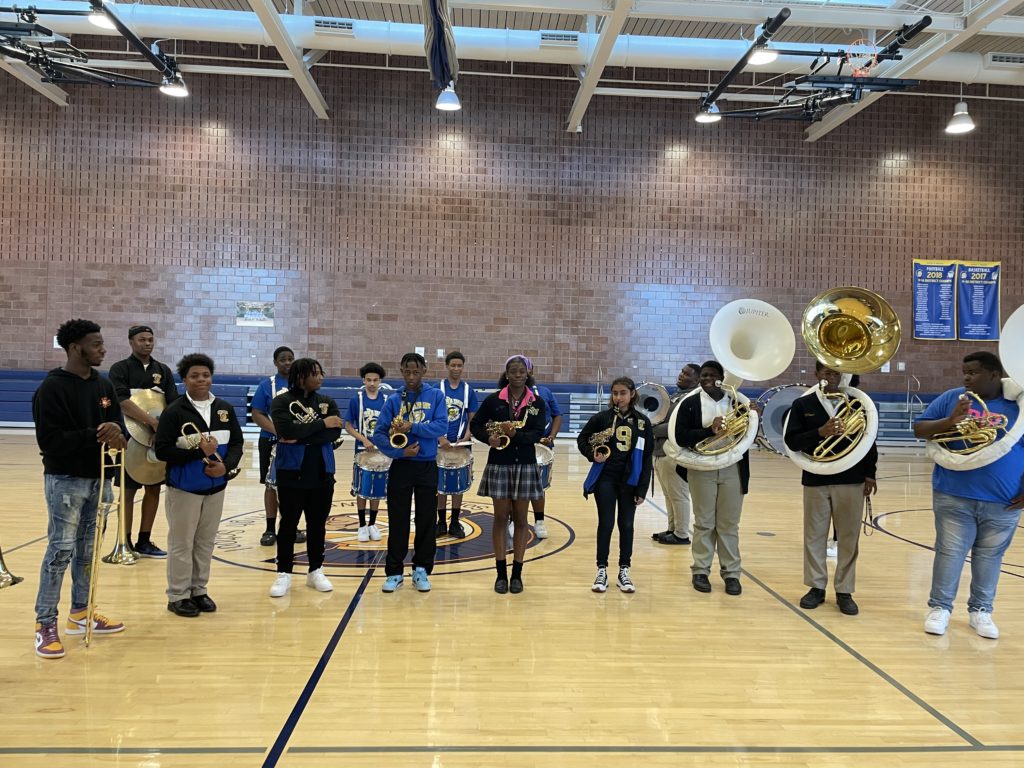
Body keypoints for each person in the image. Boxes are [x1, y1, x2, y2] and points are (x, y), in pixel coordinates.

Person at [32, 319, 127, 658]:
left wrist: (118, 433)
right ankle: (45, 624)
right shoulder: (52, 388)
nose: (103, 349)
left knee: (89, 553)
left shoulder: (103, 384)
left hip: (100, 479)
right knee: (60, 551)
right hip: (66, 480)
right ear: (75, 348)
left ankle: (81, 612)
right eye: (96, 343)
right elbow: (50, 442)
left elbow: (120, 428)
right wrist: (97, 435)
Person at [913, 351, 1024, 639]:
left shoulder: (1020, 406)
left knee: (990, 557)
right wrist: (951, 420)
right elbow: (919, 429)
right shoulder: (954, 398)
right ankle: (940, 608)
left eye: (973, 372)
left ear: (994, 375)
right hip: (954, 494)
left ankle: (981, 611)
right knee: (949, 553)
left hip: (1004, 500)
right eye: (964, 372)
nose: (966, 377)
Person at [784, 362, 877, 616]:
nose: (831, 376)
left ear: (843, 375)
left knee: (848, 537)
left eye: (836, 372)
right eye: (826, 372)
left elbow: (869, 439)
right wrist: (819, 432)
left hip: (852, 478)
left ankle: (845, 590)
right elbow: (792, 441)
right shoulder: (803, 405)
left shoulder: (858, 403)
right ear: (817, 375)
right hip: (815, 478)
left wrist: (871, 473)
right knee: (814, 536)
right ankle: (816, 587)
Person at [155, 354, 244, 617]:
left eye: (205, 375)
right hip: (184, 489)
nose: (201, 380)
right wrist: (198, 453)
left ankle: (199, 590)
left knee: (205, 542)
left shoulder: (224, 408)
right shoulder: (174, 411)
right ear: (184, 380)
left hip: (216, 487)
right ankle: (178, 595)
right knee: (182, 543)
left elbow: (237, 443)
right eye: (194, 376)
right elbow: (162, 451)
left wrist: (225, 467)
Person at [470, 355, 547, 594]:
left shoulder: (537, 403)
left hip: (525, 464)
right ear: (506, 374)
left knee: (522, 520)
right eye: (513, 371)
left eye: (521, 372)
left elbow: (536, 434)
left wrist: (516, 436)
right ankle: (500, 573)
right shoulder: (494, 400)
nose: (517, 375)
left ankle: (517, 574)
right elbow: (476, 425)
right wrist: (488, 439)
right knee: (501, 517)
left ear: (527, 374)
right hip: (500, 464)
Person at [267, 358, 344, 598]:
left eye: (322, 373)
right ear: (302, 377)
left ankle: (315, 570)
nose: (321, 378)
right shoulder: (281, 401)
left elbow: (334, 433)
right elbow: (286, 431)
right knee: (288, 524)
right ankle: (284, 573)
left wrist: (304, 436)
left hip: (322, 473)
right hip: (292, 473)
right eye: (316, 374)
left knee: (317, 525)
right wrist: (321, 424)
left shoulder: (326, 401)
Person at [372, 353, 448, 593]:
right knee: (398, 520)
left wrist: (412, 427)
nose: (412, 377)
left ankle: (422, 569)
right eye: (407, 372)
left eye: (416, 372)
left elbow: (441, 426)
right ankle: (394, 572)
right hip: (402, 466)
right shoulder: (394, 400)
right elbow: (379, 434)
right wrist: (399, 453)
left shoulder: (436, 396)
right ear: (402, 371)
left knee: (426, 519)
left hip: (427, 465)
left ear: (424, 370)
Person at [673, 360, 751, 596]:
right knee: (704, 522)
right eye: (704, 376)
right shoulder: (689, 403)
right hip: (701, 468)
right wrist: (710, 430)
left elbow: (749, 433)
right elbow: (681, 436)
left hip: (732, 467)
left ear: (721, 378)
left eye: (712, 375)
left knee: (729, 524)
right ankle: (700, 570)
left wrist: (753, 415)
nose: (707, 379)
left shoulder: (737, 401)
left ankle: (731, 574)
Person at [107, 324, 179, 558]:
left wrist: (163, 429)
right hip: (129, 437)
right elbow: (122, 401)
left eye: (150, 339)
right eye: (142, 339)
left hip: (156, 438)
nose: (147, 343)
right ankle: (123, 541)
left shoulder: (163, 371)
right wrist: (151, 421)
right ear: (131, 342)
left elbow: (172, 403)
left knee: (153, 487)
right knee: (128, 491)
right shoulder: (120, 369)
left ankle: (144, 541)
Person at [577, 377, 654, 593]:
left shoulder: (642, 422)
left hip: (630, 481)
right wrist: (592, 454)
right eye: (615, 393)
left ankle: (624, 570)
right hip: (606, 479)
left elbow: (647, 458)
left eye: (622, 393)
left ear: (631, 394)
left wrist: (642, 489)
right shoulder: (602, 418)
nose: (618, 397)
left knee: (627, 525)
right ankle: (601, 569)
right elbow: (582, 438)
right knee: (606, 523)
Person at [250, 346, 307, 547]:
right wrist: (279, 432)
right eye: (282, 359)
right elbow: (257, 413)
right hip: (271, 440)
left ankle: (291, 525)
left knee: (292, 486)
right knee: (270, 485)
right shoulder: (267, 385)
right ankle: (269, 528)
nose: (287, 362)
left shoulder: (302, 385)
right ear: (275, 362)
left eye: (290, 358)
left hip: (297, 444)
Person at [652, 363, 699, 545]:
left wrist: (653, 429)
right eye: (681, 372)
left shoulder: (691, 398)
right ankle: (672, 529)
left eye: (687, 374)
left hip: (674, 452)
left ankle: (681, 534)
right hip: (660, 451)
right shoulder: (676, 396)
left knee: (678, 494)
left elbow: (677, 426)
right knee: (668, 494)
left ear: (696, 380)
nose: (681, 376)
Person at [436, 351, 479, 539]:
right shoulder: (437, 389)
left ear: (463, 367)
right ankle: (440, 522)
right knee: (440, 484)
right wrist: (440, 437)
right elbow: (431, 417)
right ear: (447, 366)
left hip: (461, 444)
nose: (456, 368)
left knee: (458, 484)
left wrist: (466, 437)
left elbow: (473, 418)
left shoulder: (469, 390)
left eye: (459, 365)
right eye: (452, 365)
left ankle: (454, 521)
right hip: (440, 443)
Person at [344, 362, 388, 542]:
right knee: (362, 489)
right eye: (368, 380)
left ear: (380, 381)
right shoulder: (357, 399)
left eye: (375, 380)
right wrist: (363, 439)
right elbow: (348, 425)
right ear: (363, 380)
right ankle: (362, 525)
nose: (371, 383)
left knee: (376, 489)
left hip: (381, 452)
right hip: (362, 451)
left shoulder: (386, 400)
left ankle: (372, 523)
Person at [525, 361, 562, 539]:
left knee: (539, 487)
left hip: (543, 447)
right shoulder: (509, 393)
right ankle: (514, 521)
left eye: (526, 368)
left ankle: (539, 521)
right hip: (521, 445)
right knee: (516, 487)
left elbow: (557, 415)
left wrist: (551, 437)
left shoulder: (545, 392)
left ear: (531, 370)